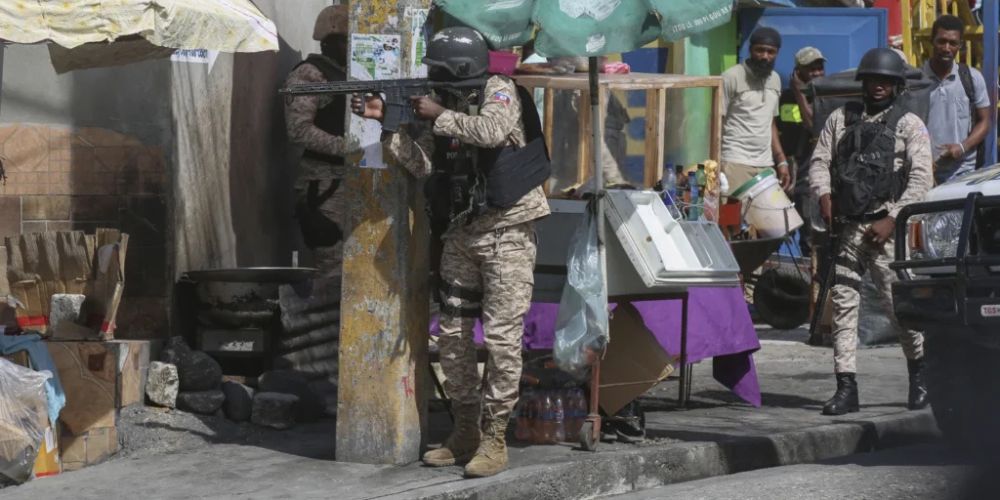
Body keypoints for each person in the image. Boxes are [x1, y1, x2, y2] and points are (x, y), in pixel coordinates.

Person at [352, 27, 549, 478]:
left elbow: (493, 131)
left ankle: (495, 436)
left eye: (439, 70)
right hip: (461, 231)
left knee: (500, 339)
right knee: (454, 335)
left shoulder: (500, 91)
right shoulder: (438, 100)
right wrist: (386, 125)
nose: (434, 79)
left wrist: (439, 113)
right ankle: (465, 431)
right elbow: (421, 164)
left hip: (508, 231)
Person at [809, 48, 933, 416]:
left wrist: (893, 218)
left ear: (896, 86)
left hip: (887, 232)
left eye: (886, 81)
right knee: (844, 307)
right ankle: (846, 387)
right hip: (849, 229)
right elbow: (820, 161)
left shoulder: (909, 124)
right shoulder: (840, 119)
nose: (878, 87)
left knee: (901, 310)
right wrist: (824, 194)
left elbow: (922, 178)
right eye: (873, 80)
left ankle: (920, 376)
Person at [283, 5, 356, 281]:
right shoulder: (309, 75)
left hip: (348, 182)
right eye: (347, 41)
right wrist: (347, 146)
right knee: (332, 271)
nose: (351, 49)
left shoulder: (349, 74)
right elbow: (298, 130)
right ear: (330, 41)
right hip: (323, 184)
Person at [721, 27, 791, 194]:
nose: (765, 56)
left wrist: (781, 161)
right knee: (734, 218)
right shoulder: (731, 77)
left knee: (771, 218)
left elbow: (770, 121)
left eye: (770, 52)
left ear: (777, 53)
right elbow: (717, 119)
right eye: (760, 50)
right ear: (750, 49)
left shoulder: (775, 79)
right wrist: (716, 163)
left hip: (766, 164)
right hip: (734, 162)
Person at [922, 15, 991, 184]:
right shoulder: (916, 81)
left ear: (960, 45)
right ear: (932, 41)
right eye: (941, 41)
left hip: (963, 172)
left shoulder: (972, 78)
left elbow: (984, 121)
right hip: (924, 173)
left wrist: (962, 147)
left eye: (953, 43)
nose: (946, 48)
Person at [778, 46, 826, 256]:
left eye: (819, 68)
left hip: (809, 175)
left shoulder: (824, 98)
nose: (816, 73)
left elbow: (811, 123)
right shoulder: (784, 97)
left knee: (810, 234)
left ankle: (812, 285)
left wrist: (799, 92)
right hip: (786, 173)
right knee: (778, 232)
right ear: (798, 71)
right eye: (810, 69)